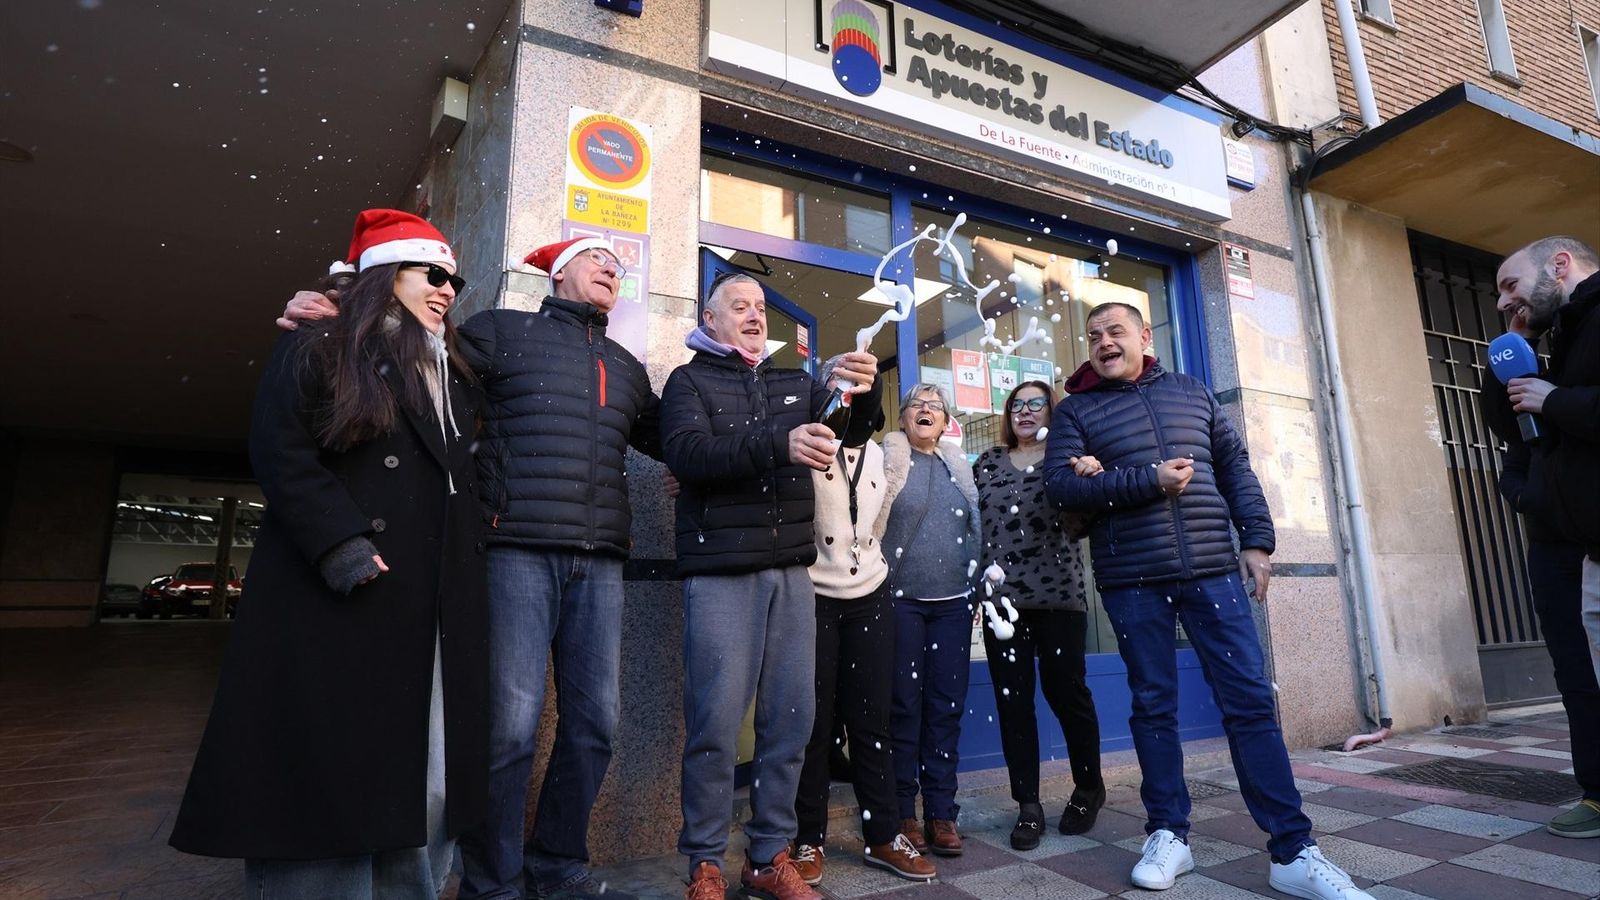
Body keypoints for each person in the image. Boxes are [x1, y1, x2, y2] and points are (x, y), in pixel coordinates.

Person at [282, 234, 662, 900]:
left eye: (617, 265)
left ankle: (559, 868)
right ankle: (492, 882)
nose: (611, 268)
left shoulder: (626, 366)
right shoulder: (498, 332)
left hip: (601, 561)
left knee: (594, 725)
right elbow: (412, 359)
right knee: (508, 729)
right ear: (559, 272)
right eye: (597, 258)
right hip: (514, 549)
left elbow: (678, 439)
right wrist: (338, 318)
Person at [171, 209, 489, 898]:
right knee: (326, 780)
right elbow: (280, 449)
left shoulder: (455, 371)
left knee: (416, 781)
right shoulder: (322, 342)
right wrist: (340, 543)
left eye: (455, 281)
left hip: (428, 604)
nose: (448, 290)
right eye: (432, 274)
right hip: (341, 595)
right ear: (384, 275)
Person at [1043, 302, 1372, 899]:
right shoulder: (1076, 410)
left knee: (1250, 702)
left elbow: (1235, 466)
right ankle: (1169, 834)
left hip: (1214, 571)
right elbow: (1060, 487)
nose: (1104, 342)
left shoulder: (1192, 392)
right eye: (1093, 335)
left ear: (1145, 335)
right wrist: (1150, 479)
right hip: (1132, 578)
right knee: (1153, 706)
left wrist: (1258, 541)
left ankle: (1293, 850)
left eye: (1116, 331)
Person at [663, 272, 880, 900]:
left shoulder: (795, 382)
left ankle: (767, 856)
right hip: (721, 572)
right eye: (740, 306)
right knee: (715, 725)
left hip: (791, 572)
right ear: (710, 319)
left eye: (760, 306)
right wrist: (776, 445)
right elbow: (687, 455)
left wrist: (857, 393)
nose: (755, 315)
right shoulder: (688, 382)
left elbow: (847, 431)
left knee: (790, 722)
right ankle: (705, 863)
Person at [791, 358, 937, 888]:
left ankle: (883, 834)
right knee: (814, 724)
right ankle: (807, 837)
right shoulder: (805, 444)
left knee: (872, 720)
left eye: (857, 386)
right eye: (839, 384)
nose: (848, 394)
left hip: (871, 593)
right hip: (813, 594)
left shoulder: (880, 455)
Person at [1479, 235, 1600, 838]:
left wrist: (1556, 401)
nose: (1505, 301)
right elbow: (1513, 433)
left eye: (1511, 285)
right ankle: (1597, 791)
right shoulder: (1557, 338)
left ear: (1560, 264)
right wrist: (1517, 353)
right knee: (1577, 673)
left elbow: (1561, 410)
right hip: (1560, 539)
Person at [973, 379, 1105, 850]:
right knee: (1013, 702)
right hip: (1002, 604)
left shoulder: (1065, 462)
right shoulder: (987, 463)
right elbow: (976, 530)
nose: (1025, 411)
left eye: (1036, 404)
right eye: (1017, 404)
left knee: (1067, 693)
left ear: (1053, 412)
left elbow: (1083, 525)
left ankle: (1088, 788)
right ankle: (1028, 805)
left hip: (1059, 598)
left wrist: (1089, 480)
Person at [876, 383, 981, 858]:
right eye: (917, 404)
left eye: (935, 406)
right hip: (900, 602)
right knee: (902, 705)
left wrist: (976, 583)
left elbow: (976, 530)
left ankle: (941, 811)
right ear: (903, 418)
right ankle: (903, 811)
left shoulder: (958, 467)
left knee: (945, 706)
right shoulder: (886, 461)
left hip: (953, 605)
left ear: (946, 421)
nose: (925, 410)